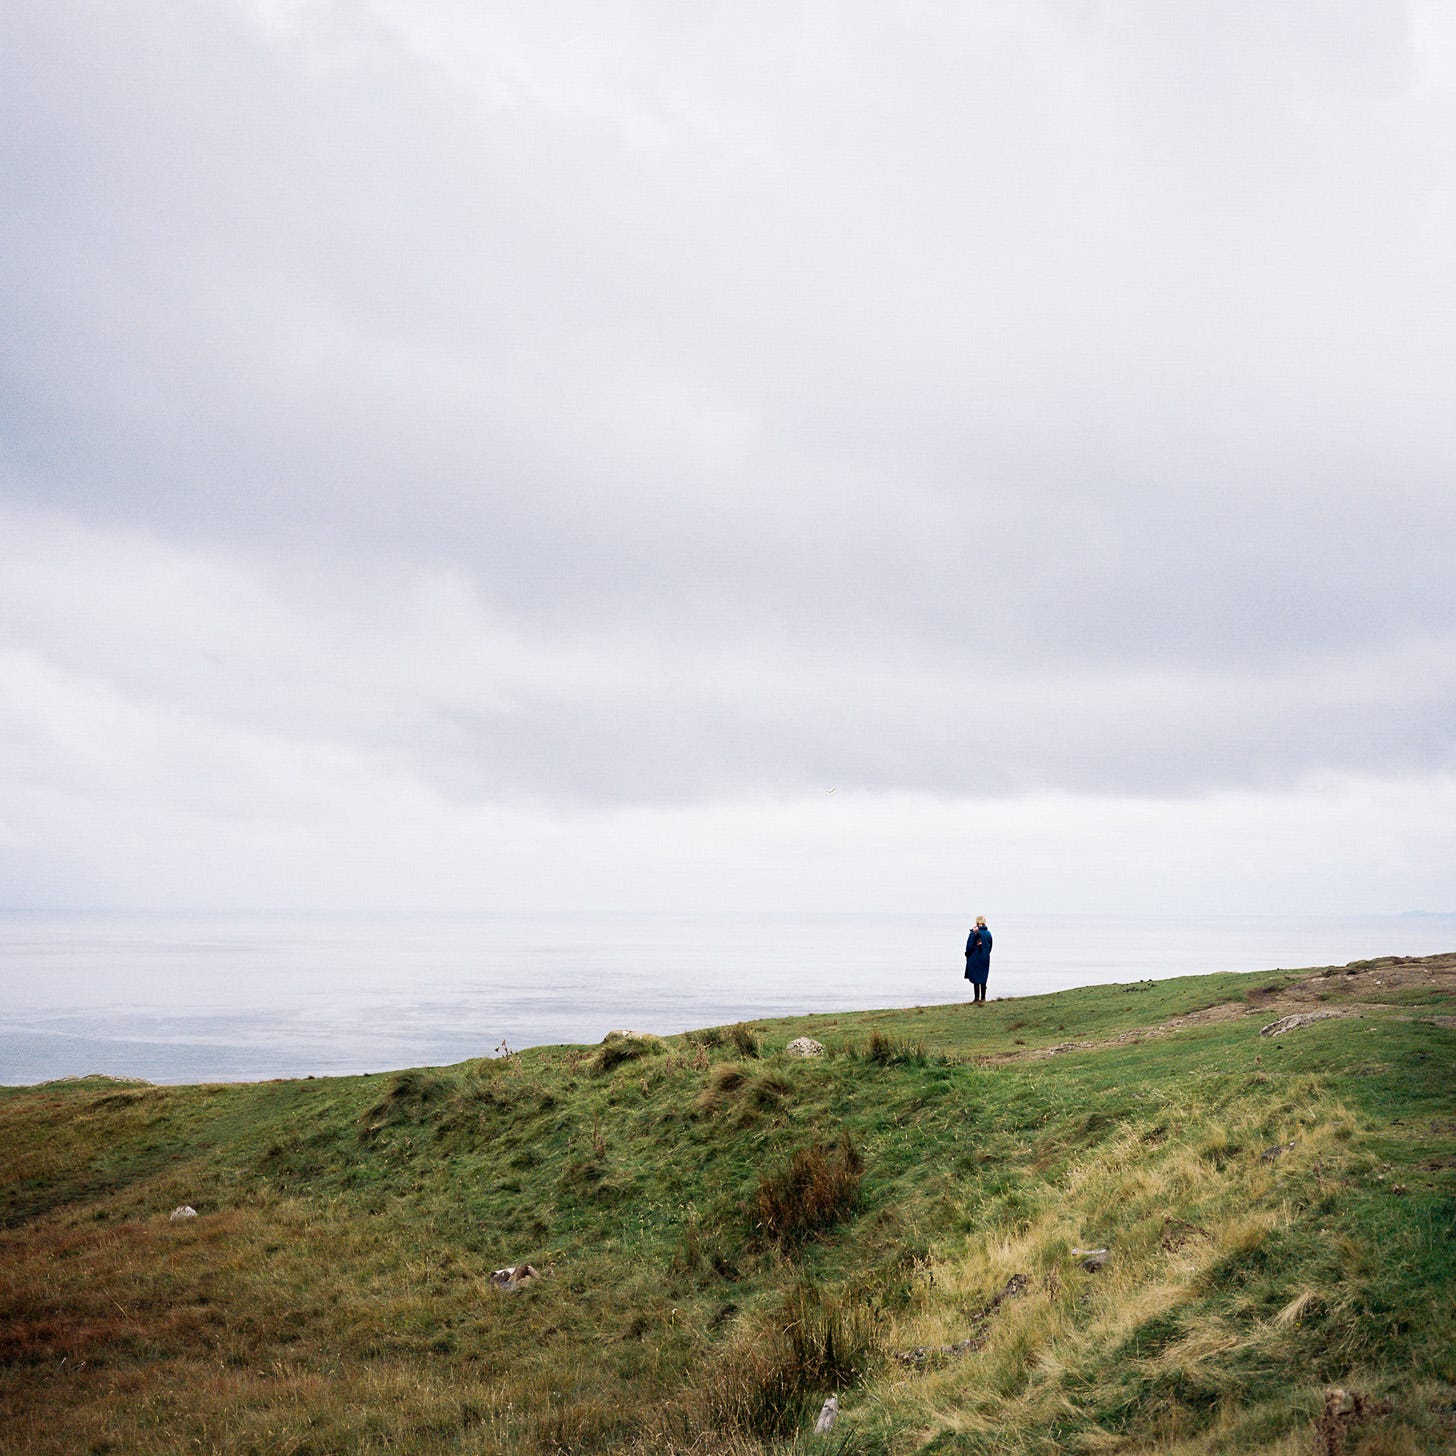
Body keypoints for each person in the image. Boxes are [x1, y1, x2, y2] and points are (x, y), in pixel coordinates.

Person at [964, 916, 992, 1003]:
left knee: (976, 977)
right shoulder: (988, 933)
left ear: (976, 922)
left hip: (974, 958)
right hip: (985, 958)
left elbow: (969, 947)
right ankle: (983, 998)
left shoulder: (973, 933)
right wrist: (986, 953)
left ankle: (976, 998)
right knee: (983, 977)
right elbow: (990, 946)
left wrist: (967, 954)